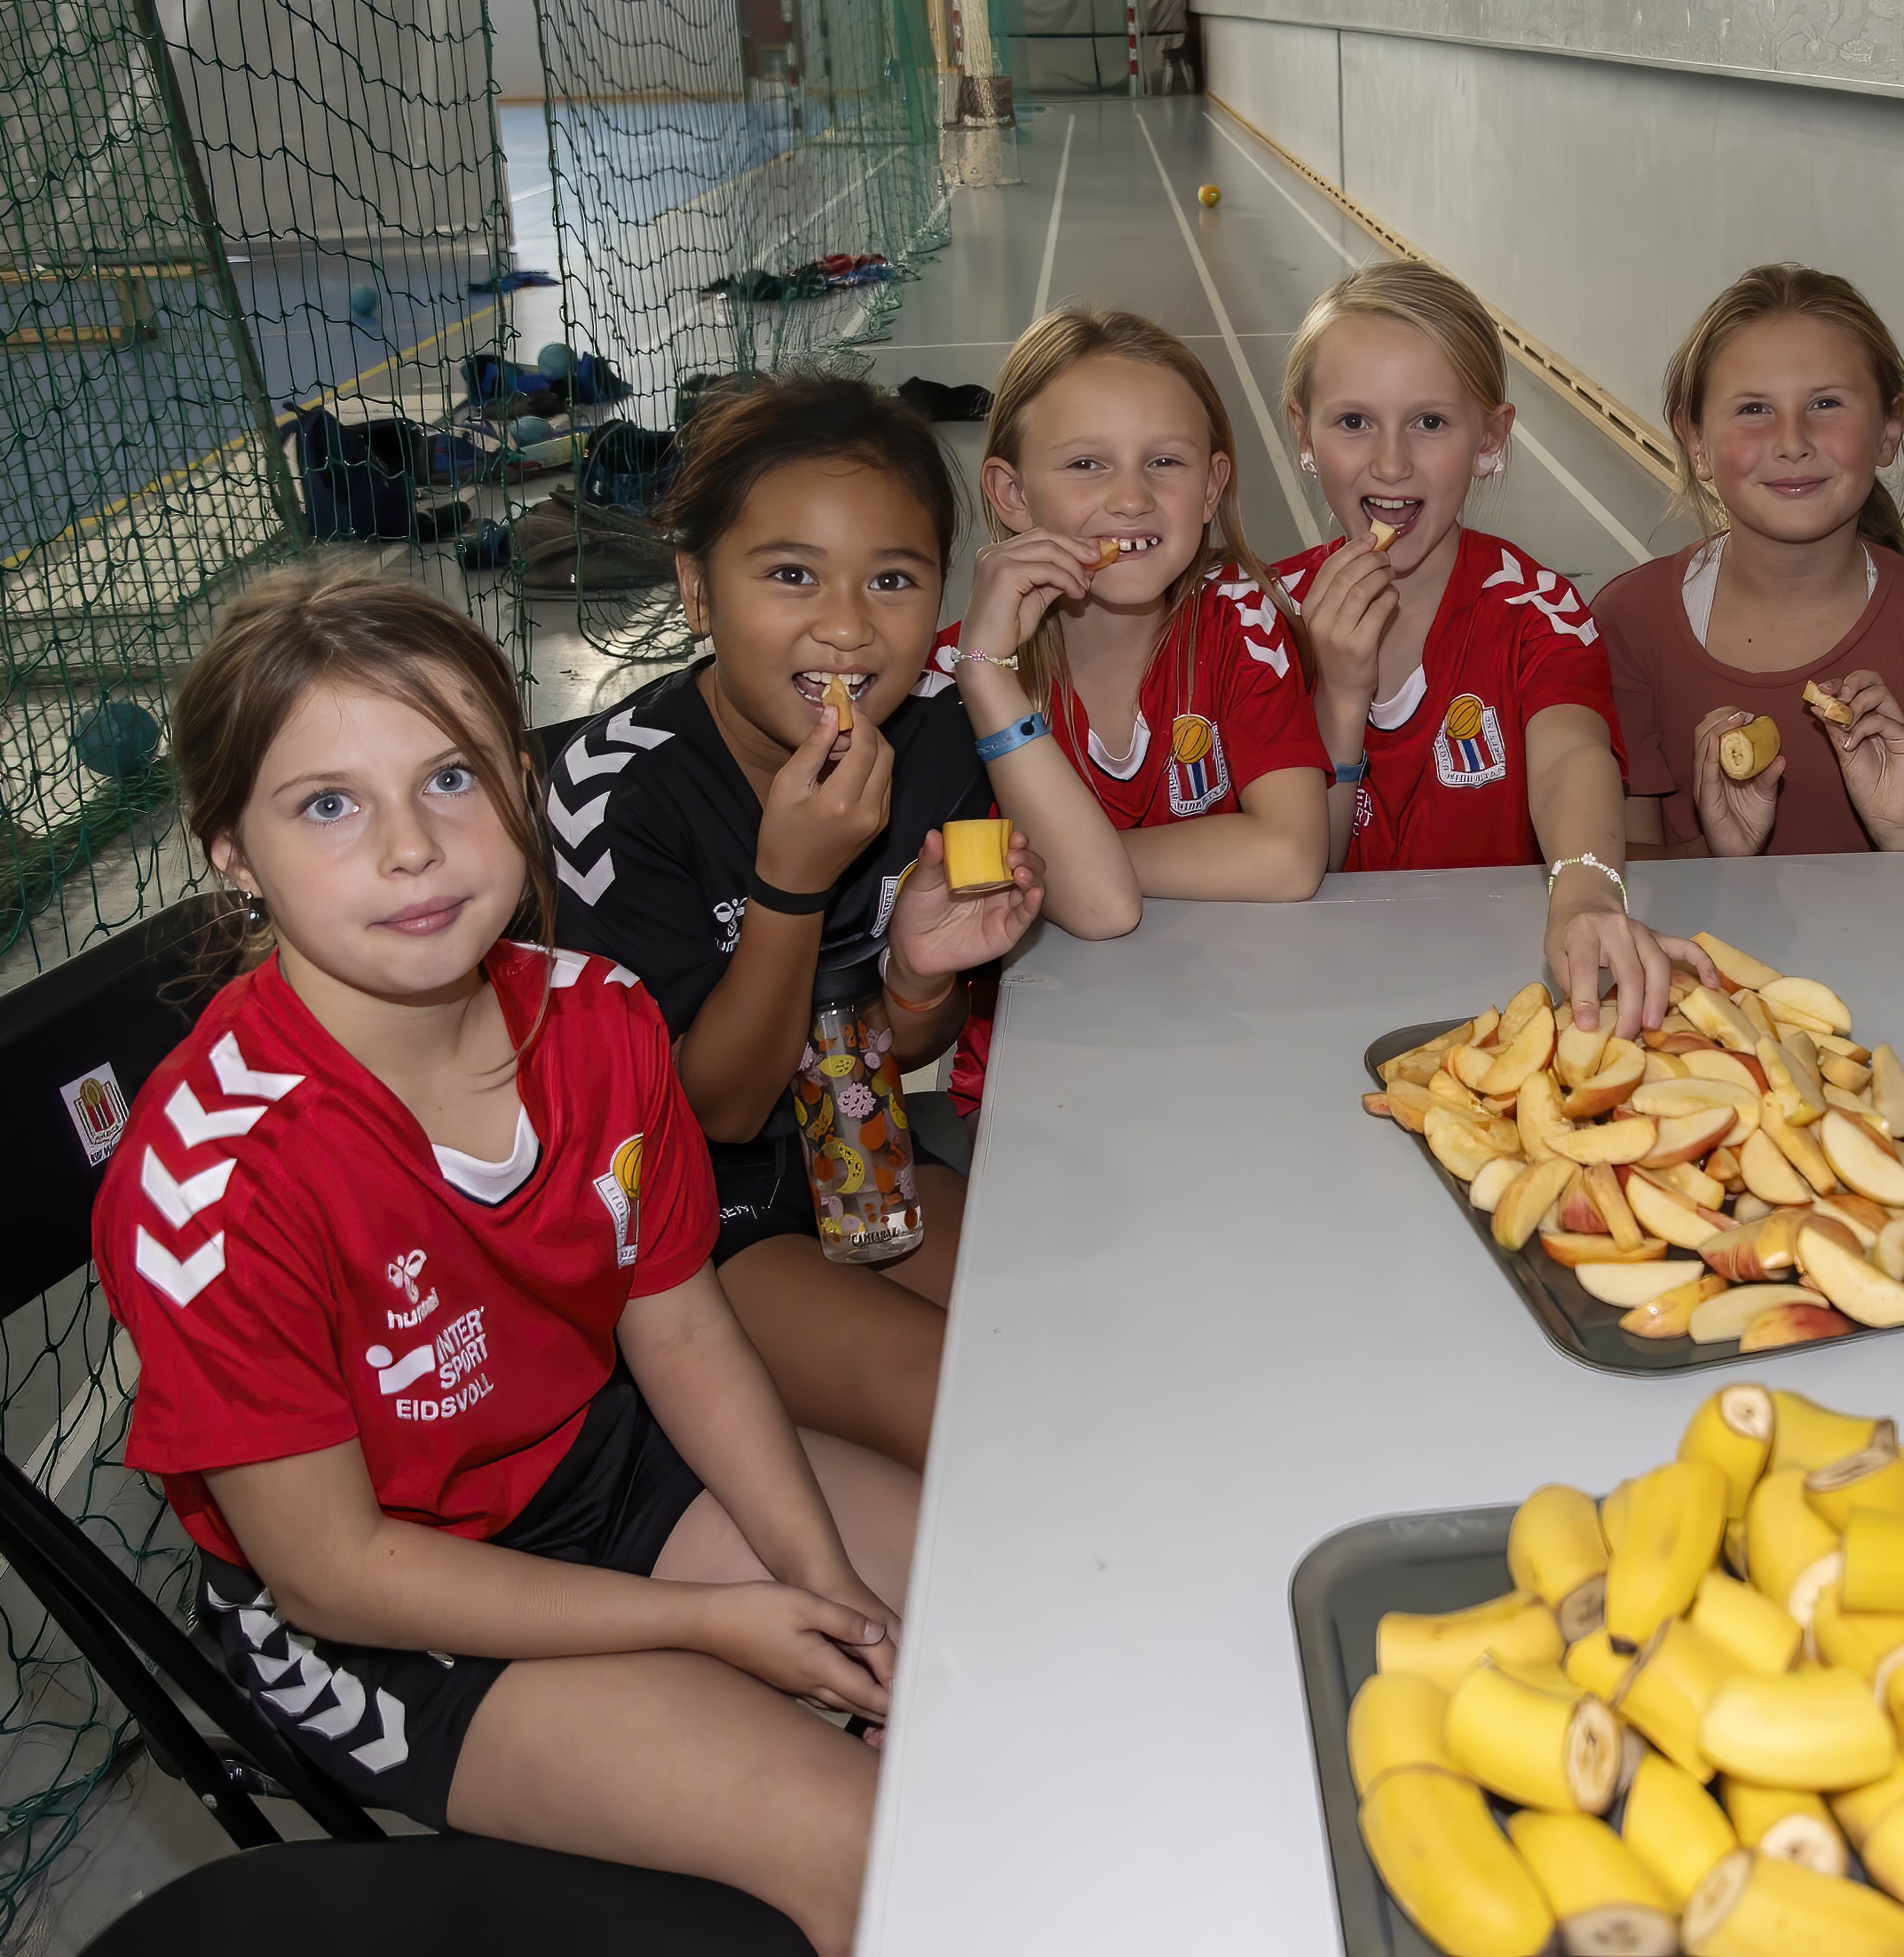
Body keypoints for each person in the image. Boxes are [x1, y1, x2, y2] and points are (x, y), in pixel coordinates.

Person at [96, 567, 914, 1954]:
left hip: (594, 1460)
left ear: (520, 786)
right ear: (232, 850)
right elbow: (335, 1570)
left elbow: (682, 1332)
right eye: (328, 804)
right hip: (384, 1606)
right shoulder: (215, 1181)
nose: (411, 849)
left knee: (989, 1633)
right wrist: (714, 1624)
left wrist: (815, 1577)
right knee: (877, 1854)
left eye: (452, 778)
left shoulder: (601, 1017)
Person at [550, 374, 1048, 1472]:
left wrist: (918, 977)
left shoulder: (938, 741)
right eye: (790, 575)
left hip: (860, 1143)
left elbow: (902, 1043)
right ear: (696, 590)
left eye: (892, 579)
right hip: (686, 1218)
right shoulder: (613, 794)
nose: (846, 627)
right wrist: (789, 887)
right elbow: (717, 1111)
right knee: (980, 1421)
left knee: (1071, 1337)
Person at [1275, 259, 1709, 1027]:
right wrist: (1339, 694)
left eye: (1430, 423)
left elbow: (1571, 755)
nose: (1391, 463)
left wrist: (1584, 891)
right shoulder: (1259, 617)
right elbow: (1306, 860)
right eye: (1353, 422)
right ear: (1303, 434)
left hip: (1493, 1000)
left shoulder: (1538, 613)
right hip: (1303, 993)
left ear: (1490, 438)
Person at [1592, 264, 1904, 858]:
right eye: (1754, 409)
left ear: (1889, 429)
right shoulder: (1627, 624)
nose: (1792, 442)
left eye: (1826, 403)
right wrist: (1720, 855)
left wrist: (1902, 831)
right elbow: (1619, 880)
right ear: (1696, 441)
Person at [960, 304, 1330, 893]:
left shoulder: (1241, 623)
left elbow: (1291, 853)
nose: (1131, 499)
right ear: (1013, 494)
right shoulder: (953, 680)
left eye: (1164, 461)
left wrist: (1074, 864)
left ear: (1210, 488)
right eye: (1086, 463)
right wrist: (989, 678)